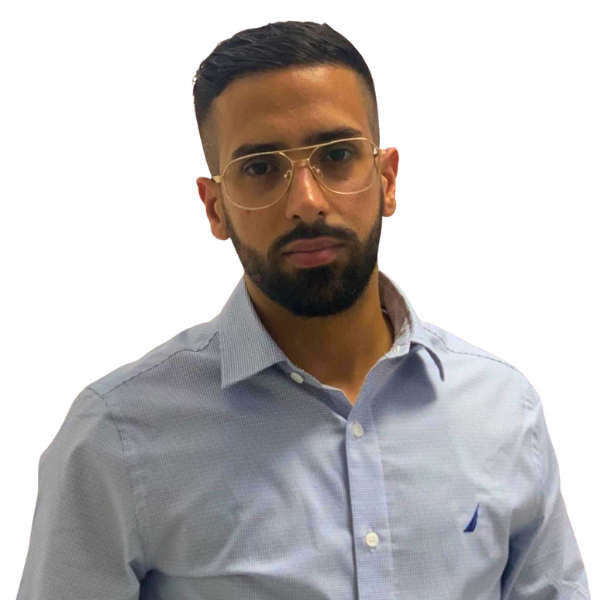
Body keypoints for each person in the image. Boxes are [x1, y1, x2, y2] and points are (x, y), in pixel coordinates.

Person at [16, 20, 590, 600]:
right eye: (261, 167)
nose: (307, 202)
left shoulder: (502, 410)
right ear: (215, 208)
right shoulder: (118, 438)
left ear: (387, 179)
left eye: (337, 155)